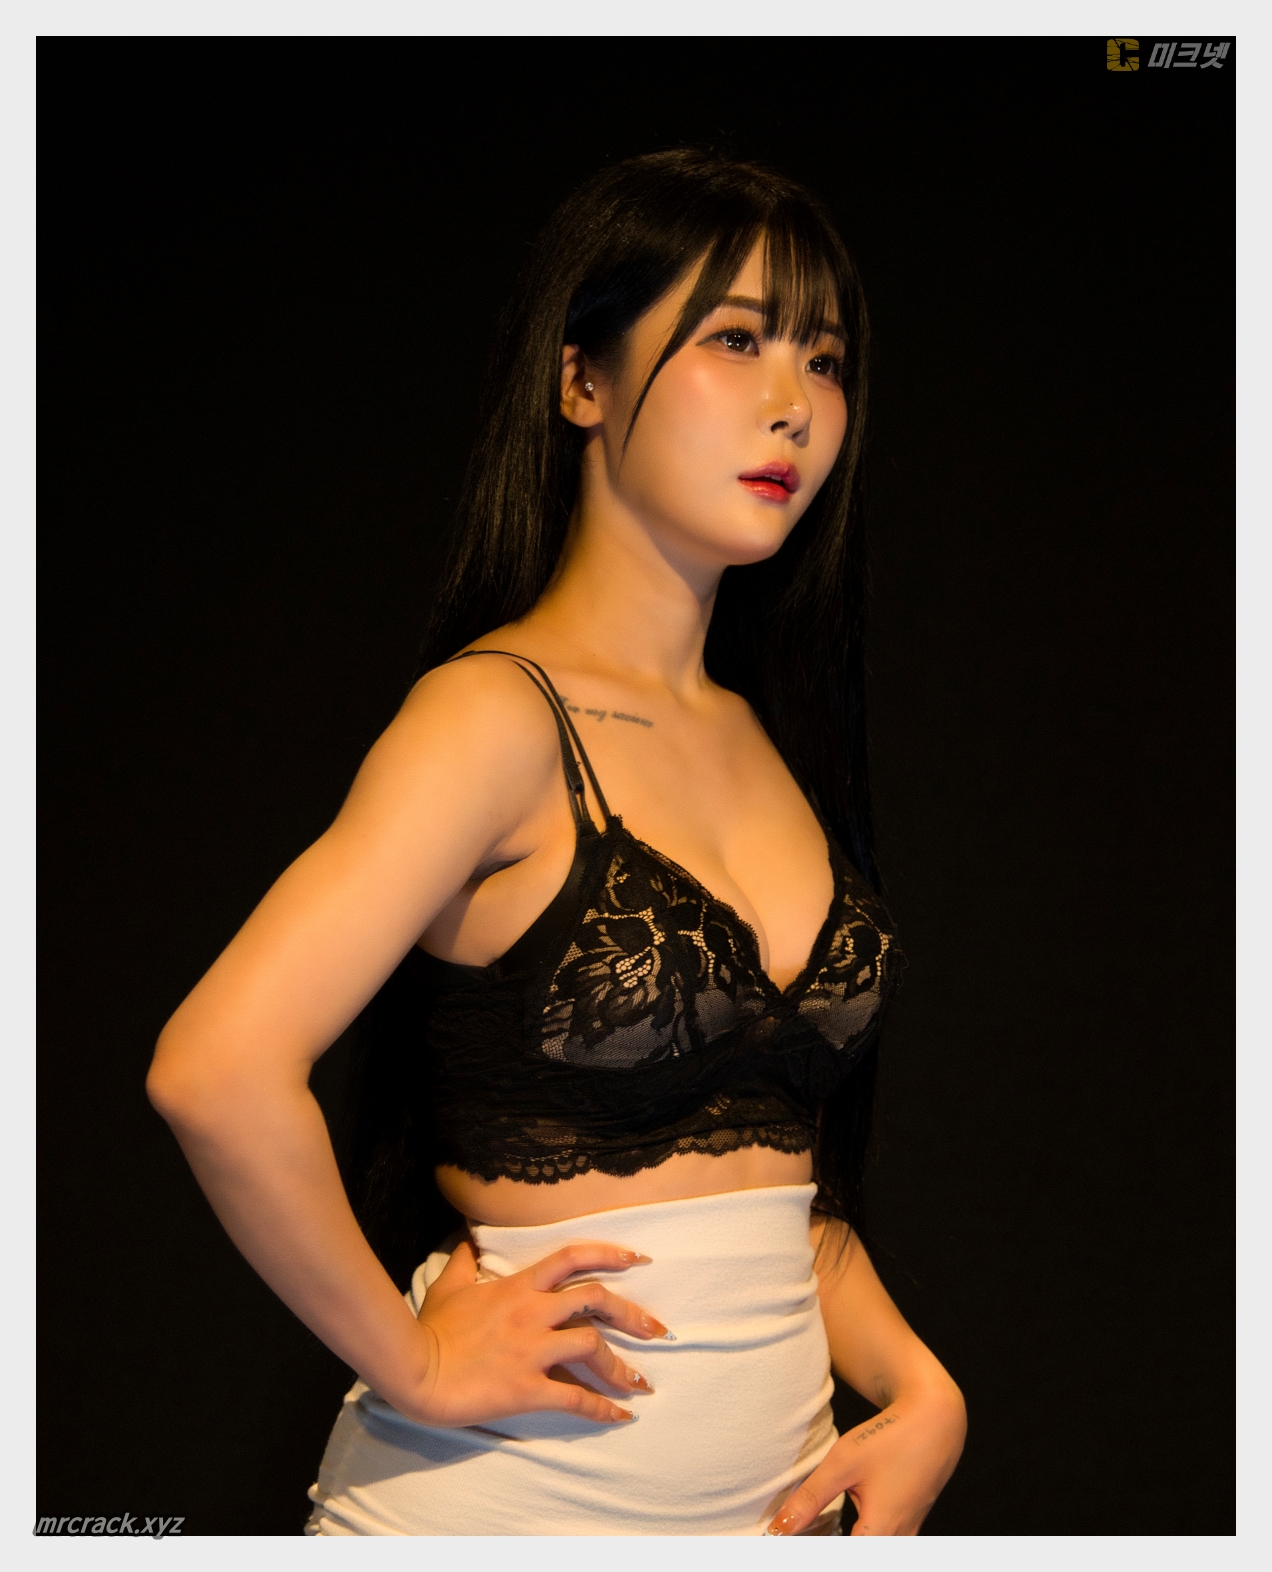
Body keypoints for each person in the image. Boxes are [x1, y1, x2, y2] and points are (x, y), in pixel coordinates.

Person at [147, 149, 967, 1537]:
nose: (794, 403)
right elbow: (215, 1070)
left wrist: (921, 1390)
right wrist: (414, 1361)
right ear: (582, 380)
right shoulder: (496, 720)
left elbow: (766, 1175)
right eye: (736, 339)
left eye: (824, 361)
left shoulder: (770, 740)